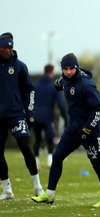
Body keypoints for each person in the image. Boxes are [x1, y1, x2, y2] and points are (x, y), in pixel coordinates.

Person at [31, 53, 100, 207]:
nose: (69, 71)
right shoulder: (64, 80)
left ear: (76, 67)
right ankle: (49, 195)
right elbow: (59, 84)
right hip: (73, 130)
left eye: (71, 68)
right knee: (57, 156)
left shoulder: (87, 85)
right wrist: (57, 84)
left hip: (91, 131)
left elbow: (98, 110)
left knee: (97, 164)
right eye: (65, 69)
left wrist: (87, 129)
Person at [0, 32, 44, 200]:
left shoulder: (20, 66)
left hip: (17, 115)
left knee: (26, 147)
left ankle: (38, 187)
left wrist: (30, 112)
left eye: (10, 47)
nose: (8, 50)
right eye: (4, 47)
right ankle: (7, 191)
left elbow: (29, 90)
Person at [33, 64, 68, 168]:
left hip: (35, 117)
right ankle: (50, 161)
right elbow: (61, 104)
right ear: (52, 72)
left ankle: (36, 161)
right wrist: (65, 117)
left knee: (37, 139)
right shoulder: (54, 86)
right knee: (50, 138)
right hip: (48, 117)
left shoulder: (36, 85)